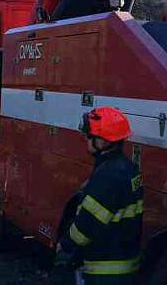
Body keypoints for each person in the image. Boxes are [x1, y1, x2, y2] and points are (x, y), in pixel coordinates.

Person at [56, 107, 143, 285]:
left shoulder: (107, 176)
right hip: (127, 266)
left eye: (90, 136)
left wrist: (64, 245)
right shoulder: (130, 168)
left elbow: (85, 227)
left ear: (103, 142)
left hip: (104, 271)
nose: (86, 139)